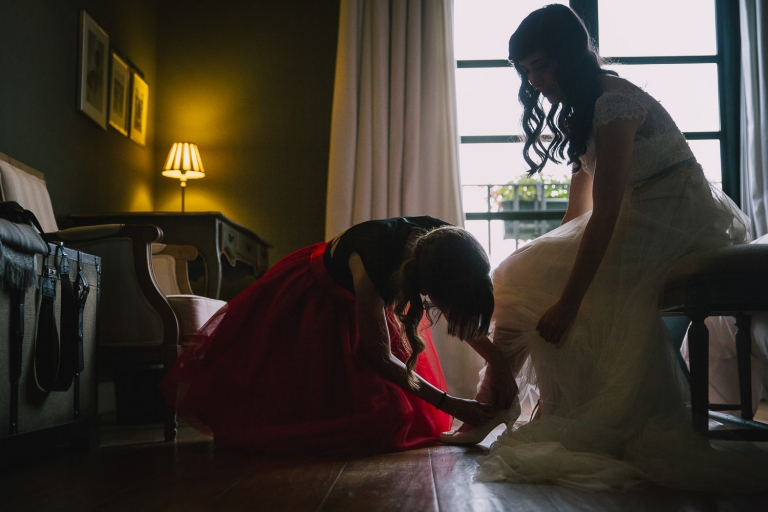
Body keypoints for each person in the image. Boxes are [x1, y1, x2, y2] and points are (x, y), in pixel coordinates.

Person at [442, 4, 768, 492]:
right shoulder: (583, 109)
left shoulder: (615, 103)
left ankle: (498, 406)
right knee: (517, 273)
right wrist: (547, 259)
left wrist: (568, 302)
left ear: (569, 56)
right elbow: (578, 215)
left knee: (544, 286)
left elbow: (608, 211)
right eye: (527, 71)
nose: (535, 82)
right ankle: (503, 399)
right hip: (636, 219)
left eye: (542, 67)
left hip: (676, 221)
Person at [161, 216, 500, 455]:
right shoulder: (374, 262)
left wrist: (499, 364)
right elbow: (378, 355)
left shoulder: (446, 245)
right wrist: (450, 402)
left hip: (365, 300)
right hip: (316, 299)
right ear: (425, 285)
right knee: (383, 420)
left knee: (418, 420)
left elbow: (457, 309)